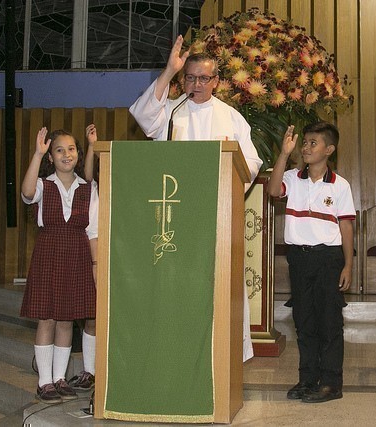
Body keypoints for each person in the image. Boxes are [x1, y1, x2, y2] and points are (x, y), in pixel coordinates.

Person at [129, 34, 263, 362]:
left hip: (216, 216)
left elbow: (251, 163)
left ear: (216, 81)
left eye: (204, 78)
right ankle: (177, 351)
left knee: (217, 290)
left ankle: (221, 355)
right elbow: (144, 117)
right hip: (177, 218)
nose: (197, 84)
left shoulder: (230, 117)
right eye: (190, 77)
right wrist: (168, 72)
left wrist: (223, 189)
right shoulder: (173, 112)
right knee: (179, 290)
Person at [267, 122, 355, 403]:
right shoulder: (292, 177)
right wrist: (283, 154)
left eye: (312, 143)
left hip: (328, 259)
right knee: (303, 321)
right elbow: (272, 191)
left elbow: (347, 227)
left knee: (329, 321)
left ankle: (331, 382)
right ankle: (307, 379)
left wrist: (348, 265)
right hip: (299, 259)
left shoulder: (340, 186)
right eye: (303, 142)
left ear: (329, 149)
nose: (305, 147)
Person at [20, 125, 99, 403]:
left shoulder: (87, 188)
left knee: (66, 318)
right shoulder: (45, 185)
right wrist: (36, 153)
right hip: (50, 252)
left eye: (71, 149)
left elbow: (93, 231)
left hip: (76, 254)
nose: (67, 154)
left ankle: (60, 378)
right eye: (59, 150)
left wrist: (95, 264)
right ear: (51, 157)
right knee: (48, 317)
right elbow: (27, 192)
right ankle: (44, 382)